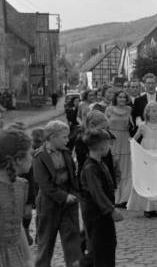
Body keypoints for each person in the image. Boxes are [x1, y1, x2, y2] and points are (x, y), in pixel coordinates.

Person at [33, 120, 82, 267]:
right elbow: (44, 184)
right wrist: (63, 196)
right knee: (46, 242)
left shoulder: (66, 152)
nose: (67, 140)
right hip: (49, 204)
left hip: (69, 202)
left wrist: (74, 193)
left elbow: (73, 175)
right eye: (64, 137)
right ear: (52, 137)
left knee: (72, 240)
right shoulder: (40, 156)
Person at [80, 129, 124, 267]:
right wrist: (111, 210)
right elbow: (97, 193)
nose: (109, 147)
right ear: (101, 146)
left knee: (109, 245)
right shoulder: (90, 168)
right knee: (100, 250)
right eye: (108, 144)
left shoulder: (100, 163)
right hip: (96, 215)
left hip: (103, 215)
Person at [0, 128, 34, 267]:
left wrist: (28, 259)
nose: (32, 158)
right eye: (30, 154)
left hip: (15, 256)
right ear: (19, 159)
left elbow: (17, 225)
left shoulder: (21, 185)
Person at [105, 90, 134, 207]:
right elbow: (105, 126)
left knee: (126, 170)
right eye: (120, 97)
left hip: (125, 139)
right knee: (114, 169)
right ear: (115, 98)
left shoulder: (129, 110)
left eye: (124, 97)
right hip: (113, 140)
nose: (122, 99)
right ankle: (115, 197)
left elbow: (132, 126)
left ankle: (125, 197)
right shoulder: (109, 109)